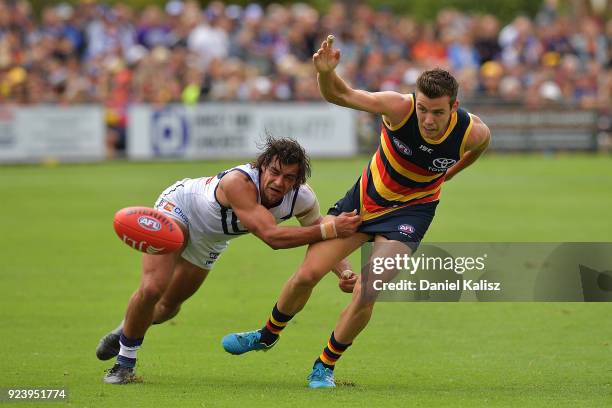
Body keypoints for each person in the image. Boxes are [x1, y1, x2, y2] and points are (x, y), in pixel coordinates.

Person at [221, 36, 491, 388]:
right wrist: (325, 73)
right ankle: (267, 334)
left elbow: (480, 147)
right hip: (362, 204)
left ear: (453, 107)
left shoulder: (473, 132)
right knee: (307, 275)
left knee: (369, 288)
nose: (427, 119)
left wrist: (446, 175)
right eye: (423, 108)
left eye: (437, 112)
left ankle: (324, 365)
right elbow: (340, 94)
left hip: (411, 214)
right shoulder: (397, 107)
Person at [97, 136, 362, 384]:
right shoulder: (238, 183)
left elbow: (319, 238)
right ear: (262, 167)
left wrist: (345, 272)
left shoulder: (302, 199)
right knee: (154, 288)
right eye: (275, 172)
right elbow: (273, 237)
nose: (279, 182)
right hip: (179, 209)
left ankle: (125, 329)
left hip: (211, 239)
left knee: (169, 306)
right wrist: (333, 228)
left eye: (289, 177)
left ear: (297, 181)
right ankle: (124, 364)